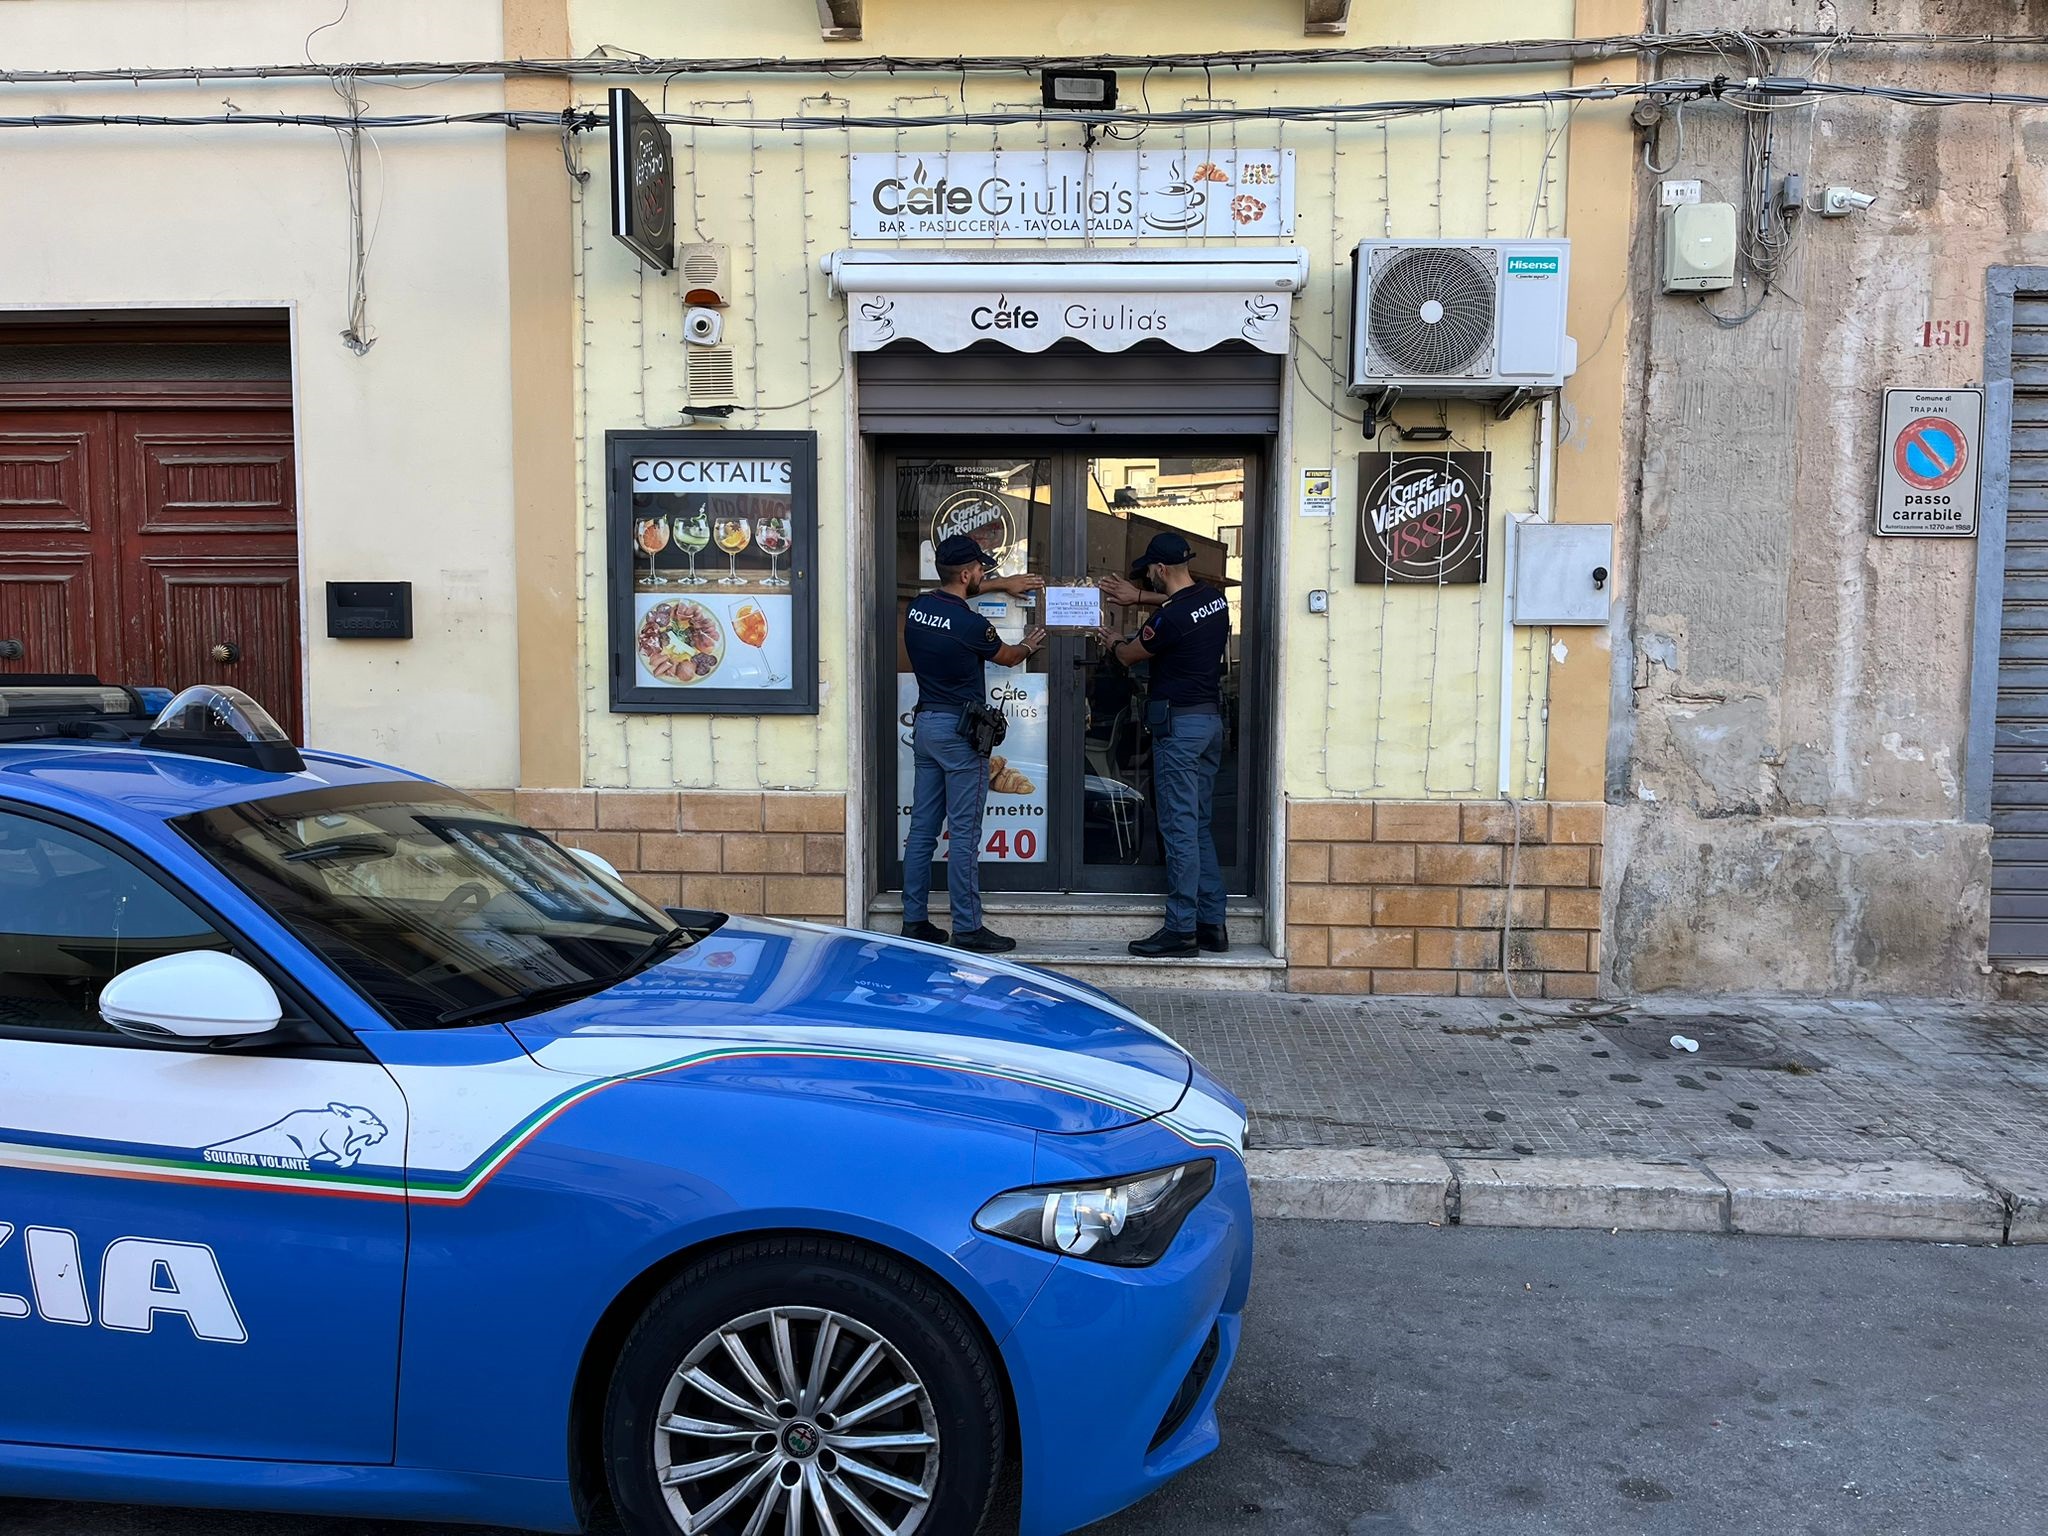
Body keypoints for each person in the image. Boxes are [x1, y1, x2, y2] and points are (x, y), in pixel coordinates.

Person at [902, 533, 1046, 952]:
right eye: (980, 568)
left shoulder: (918, 608)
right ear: (965, 573)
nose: (983, 573)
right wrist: (1030, 642)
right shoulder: (972, 625)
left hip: (926, 726)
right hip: (960, 734)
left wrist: (1001, 584)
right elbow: (1008, 656)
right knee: (964, 834)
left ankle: (915, 920)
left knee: (923, 830)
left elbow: (960, 590)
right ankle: (967, 928)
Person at [1098, 531, 1230, 958]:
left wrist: (1113, 642)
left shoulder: (1168, 620)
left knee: (1178, 828)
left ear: (1160, 569)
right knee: (1199, 824)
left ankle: (1181, 930)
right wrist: (1138, 596)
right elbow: (1180, 606)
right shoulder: (1214, 600)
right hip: (1210, 724)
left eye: (1150, 573)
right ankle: (1212, 924)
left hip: (1180, 730)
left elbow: (1131, 655)